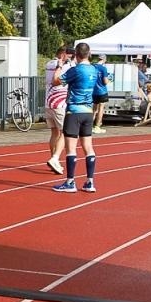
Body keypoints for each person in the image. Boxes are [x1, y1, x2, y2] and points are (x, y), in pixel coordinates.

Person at [54, 41, 101, 193]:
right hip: (88, 112)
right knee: (89, 148)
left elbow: (56, 81)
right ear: (89, 53)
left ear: (76, 54)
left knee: (71, 149)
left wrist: (60, 66)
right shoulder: (94, 70)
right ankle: (89, 182)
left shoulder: (76, 70)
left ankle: (70, 182)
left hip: (74, 111)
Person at [43, 44, 74, 173]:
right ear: (63, 54)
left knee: (54, 133)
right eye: (69, 56)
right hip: (59, 103)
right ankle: (55, 159)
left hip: (48, 102)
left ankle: (53, 158)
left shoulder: (48, 64)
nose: (70, 59)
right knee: (65, 132)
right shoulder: (65, 66)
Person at [91, 53, 112, 134]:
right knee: (101, 109)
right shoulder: (103, 68)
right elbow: (105, 81)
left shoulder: (93, 67)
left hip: (93, 90)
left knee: (94, 109)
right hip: (102, 91)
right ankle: (97, 126)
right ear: (104, 59)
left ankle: (89, 126)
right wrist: (108, 81)